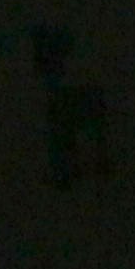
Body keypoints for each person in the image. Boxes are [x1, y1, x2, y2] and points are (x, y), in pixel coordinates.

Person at [32, 24, 112, 191]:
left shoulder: (60, 70)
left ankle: (69, 171)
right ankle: (70, 171)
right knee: (62, 129)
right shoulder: (58, 71)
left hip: (66, 96)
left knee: (61, 129)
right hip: (66, 94)